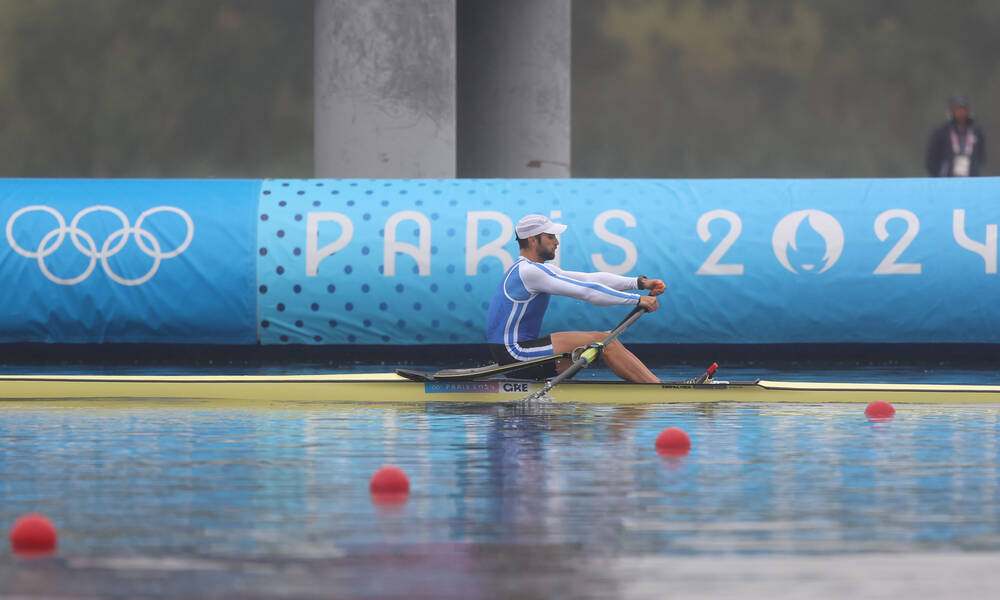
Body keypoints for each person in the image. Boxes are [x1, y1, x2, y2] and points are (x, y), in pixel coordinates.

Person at [485, 214, 666, 383]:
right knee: (604, 342)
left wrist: (640, 283)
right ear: (533, 239)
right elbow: (588, 292)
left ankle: (654, 386)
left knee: (605, 341)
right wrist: (637, 300)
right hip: (516, 354)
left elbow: (589, 279)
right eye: (551, 237)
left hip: (515, 353)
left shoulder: (533, 269)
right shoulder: (529, 271)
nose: (556, 242)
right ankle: (660, 389)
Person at [925, 93, 987, 177]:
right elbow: (932, 159)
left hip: (972, 178)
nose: (960, 113)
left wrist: (976, 170)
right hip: (947, 178)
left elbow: (981, 156)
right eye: (957, 110)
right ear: (952, 111)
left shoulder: (976, 131)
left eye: (962, 109)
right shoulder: (941, 132)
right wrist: (938, 177)